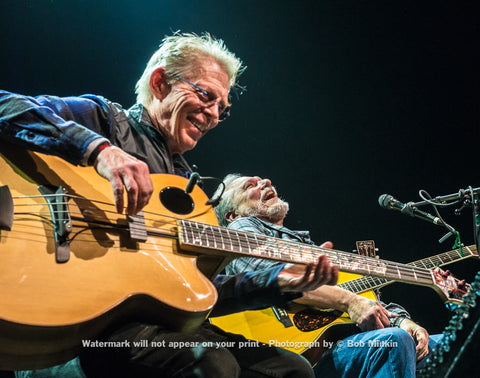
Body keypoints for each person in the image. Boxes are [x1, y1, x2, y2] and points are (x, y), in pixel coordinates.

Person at [0, 33, 339, 377]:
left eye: (223, 107)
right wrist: (99, 150)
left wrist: (279, 281)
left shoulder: (188, 193)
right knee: (211, 364)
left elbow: (196, 293)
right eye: (206, 95)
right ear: (160, 83)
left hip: (155, 326)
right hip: (86, 328)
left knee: (292, 369)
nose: (214, 115)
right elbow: (5, 106)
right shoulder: (106, 122)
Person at [214, 174, 443, 378]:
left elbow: (359, 294)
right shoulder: (241, 227)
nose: (266, 182)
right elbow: (276, 277)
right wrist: (350, 302)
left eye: (263, 179)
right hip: (300, 352)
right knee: (394, 340)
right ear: (232, 214)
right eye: (249, 186)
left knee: (446, 344)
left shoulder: (304, 244)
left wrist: (403, 320)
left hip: (338, 341)